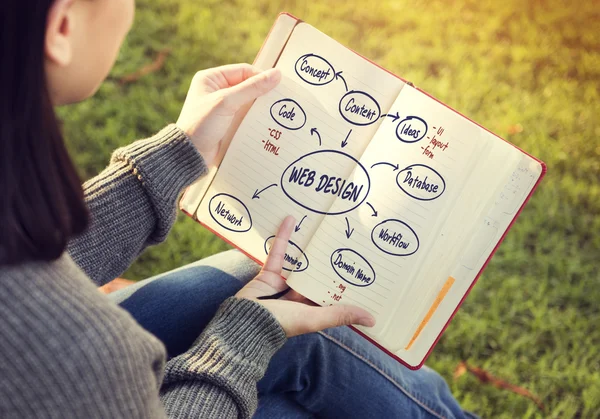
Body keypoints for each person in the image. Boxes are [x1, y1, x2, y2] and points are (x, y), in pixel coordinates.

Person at [0, 0, 475, 418]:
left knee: (248, 283)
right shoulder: (81, 349)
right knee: (297, 347)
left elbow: (22, 258)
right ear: (62, 27)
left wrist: (173, 157)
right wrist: (240, 340)